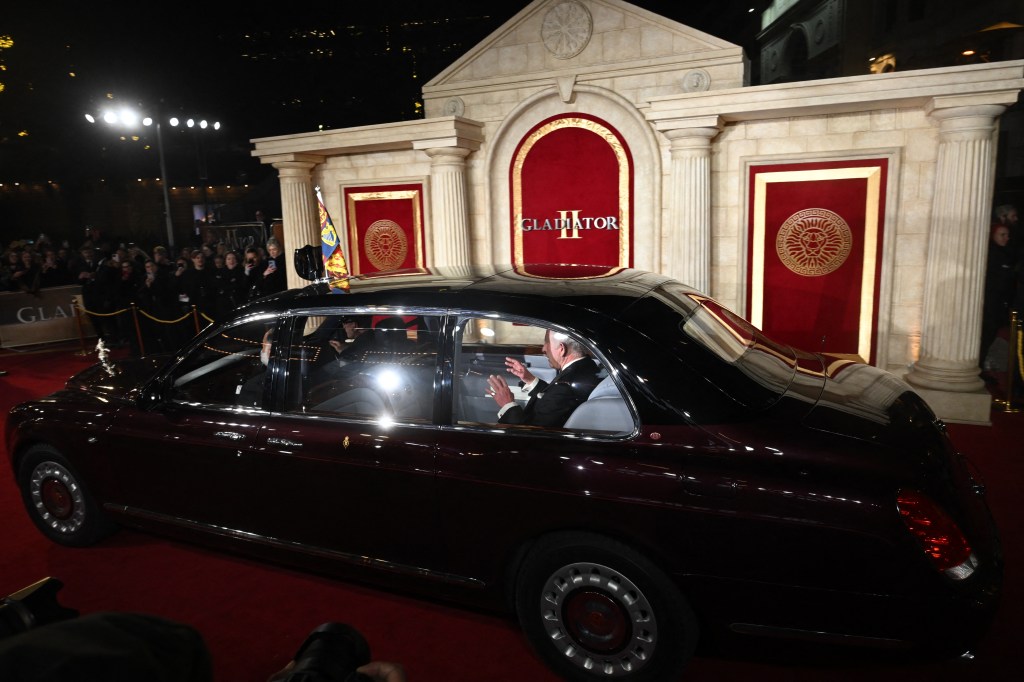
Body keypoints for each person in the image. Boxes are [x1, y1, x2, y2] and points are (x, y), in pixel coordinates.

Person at [486, 329, 600, 427]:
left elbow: (528, 434)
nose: (543, 349)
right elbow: (553, 400)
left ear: (561, 349)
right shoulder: (587, 366)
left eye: (547, 342)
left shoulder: (565, 388)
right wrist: (531, 380)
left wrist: (508, 404)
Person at [980, 223, 1016, 382]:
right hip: (988, 306)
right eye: (1002, 234)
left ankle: (981, 367)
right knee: (984, 338)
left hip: (997, 306)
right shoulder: (991, 254)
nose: (1006, 238)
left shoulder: (1005, 254)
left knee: (989, 338)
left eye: (1007, 235)